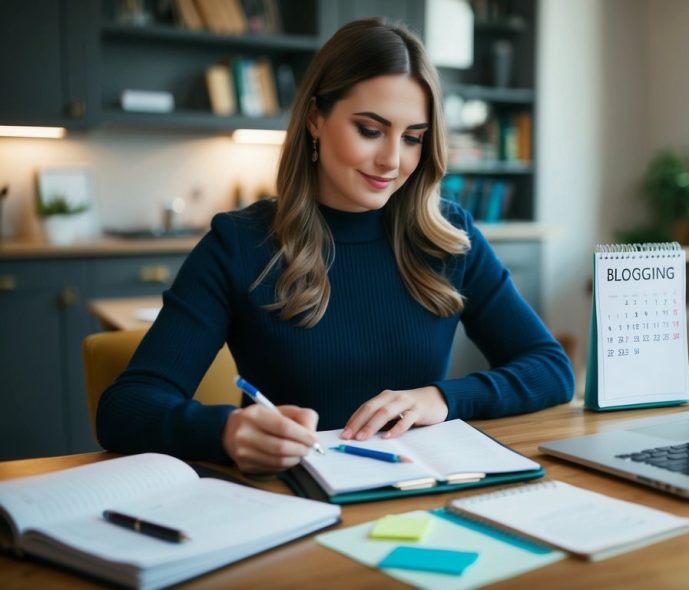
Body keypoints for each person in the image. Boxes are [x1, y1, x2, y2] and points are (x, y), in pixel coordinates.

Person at [96, 18, 575, 473]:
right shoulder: (239, 244)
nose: (392, 160)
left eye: (413, 138)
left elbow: (552, 369)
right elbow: (126, 408)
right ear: (315, 119)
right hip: (293, 504)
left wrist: (442, 398)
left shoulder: (448, 236)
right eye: (370, 130)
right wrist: (223, 430)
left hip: (416, 494)